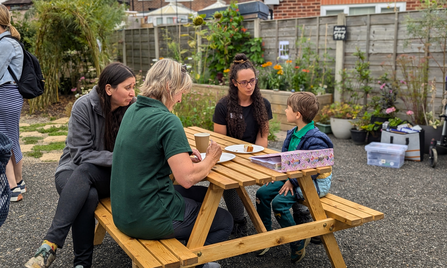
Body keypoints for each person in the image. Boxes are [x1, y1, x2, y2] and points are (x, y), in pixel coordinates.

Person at [111, 58, 233, 268]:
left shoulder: (133, 110)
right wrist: (211, 158)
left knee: (206, 198)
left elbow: (149, 154)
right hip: (147, 217)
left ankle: (186, 244)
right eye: (180, 92)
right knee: (223, 220)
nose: (180, 99)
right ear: (169, 87)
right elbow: (186, 179)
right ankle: (196, 264)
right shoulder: (167, 120)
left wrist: (180, 155)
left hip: (123, 211)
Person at [25, 62, 137, 268]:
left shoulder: (133, 108)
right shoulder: (84, 106)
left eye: (134, 87)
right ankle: (81, 264)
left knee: (87, 178)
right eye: (128, 87)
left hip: (108, 174)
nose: (133, 93)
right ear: (109, 89)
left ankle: (50, 245)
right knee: (89, 194)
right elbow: (80, 154)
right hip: (72, 169)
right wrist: (121, 158)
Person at [255, 92, 333, 263]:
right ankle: (266, 235)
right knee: (262, 194)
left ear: (297, 114)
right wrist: (275, 175)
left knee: (279, 203)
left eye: (288, 108)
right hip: (294, 177)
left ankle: (297, 241)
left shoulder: (317, 139)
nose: (285, 110)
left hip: (313, 183)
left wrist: (293, 181)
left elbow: (315, 169)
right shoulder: (292, 133)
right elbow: (286, 161)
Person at [212, 53, 272, 238]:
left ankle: (298, 215)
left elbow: (263, 137)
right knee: (228, 184)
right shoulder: (223, 106)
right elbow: (220, 141)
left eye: (252, 81)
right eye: (244, 82)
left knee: (283, 177)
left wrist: (258, 161)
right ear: (234, 83)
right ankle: (239, 220)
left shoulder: (263, 104)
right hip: (230, 156)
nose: (249, 86)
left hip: (254, 154)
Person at [0, 4, 25, 202]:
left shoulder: (4, 44)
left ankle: (12, 187)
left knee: (3, 141)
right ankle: (19, 180)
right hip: (11, 94)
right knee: (12, 137)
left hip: (5, 94)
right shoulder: (9, 41)